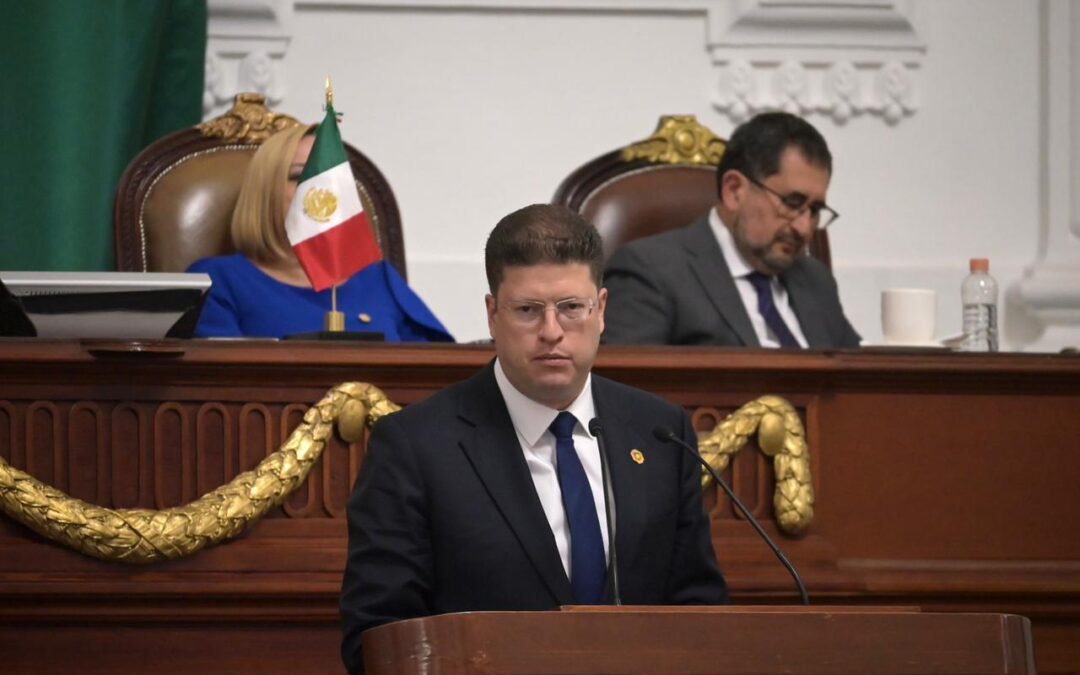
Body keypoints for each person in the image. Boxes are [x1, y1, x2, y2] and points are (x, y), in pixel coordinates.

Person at [339, 204, 727, 674]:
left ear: (601, 310)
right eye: (527, 310)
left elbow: (699, 610)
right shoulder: (415, 446)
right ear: (492, 314)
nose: (551, 332)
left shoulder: (660, 432)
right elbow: (378, 637)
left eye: (571, 308)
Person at [603, 111, 860, 348]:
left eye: (814, 210)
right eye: (792, 204)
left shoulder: (814, 279)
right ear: (734, 191)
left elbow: (857, 372)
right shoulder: (650, 271)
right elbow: (629, 381)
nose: (804, 229)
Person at [187, 124, 453, 341]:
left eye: (330, 179)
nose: (319, 189)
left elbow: (437, 370)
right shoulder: (216, 281)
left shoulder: (378, 278)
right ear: (264, 192)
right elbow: (221, 379)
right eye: (299, 176)